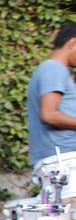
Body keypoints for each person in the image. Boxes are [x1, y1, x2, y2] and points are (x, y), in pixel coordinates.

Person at [27, 22, 76, 171]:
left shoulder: (53, 70)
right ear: (73, 43)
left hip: (62, 160)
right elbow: (49, 115)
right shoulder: (54, 69)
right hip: (63, 162)